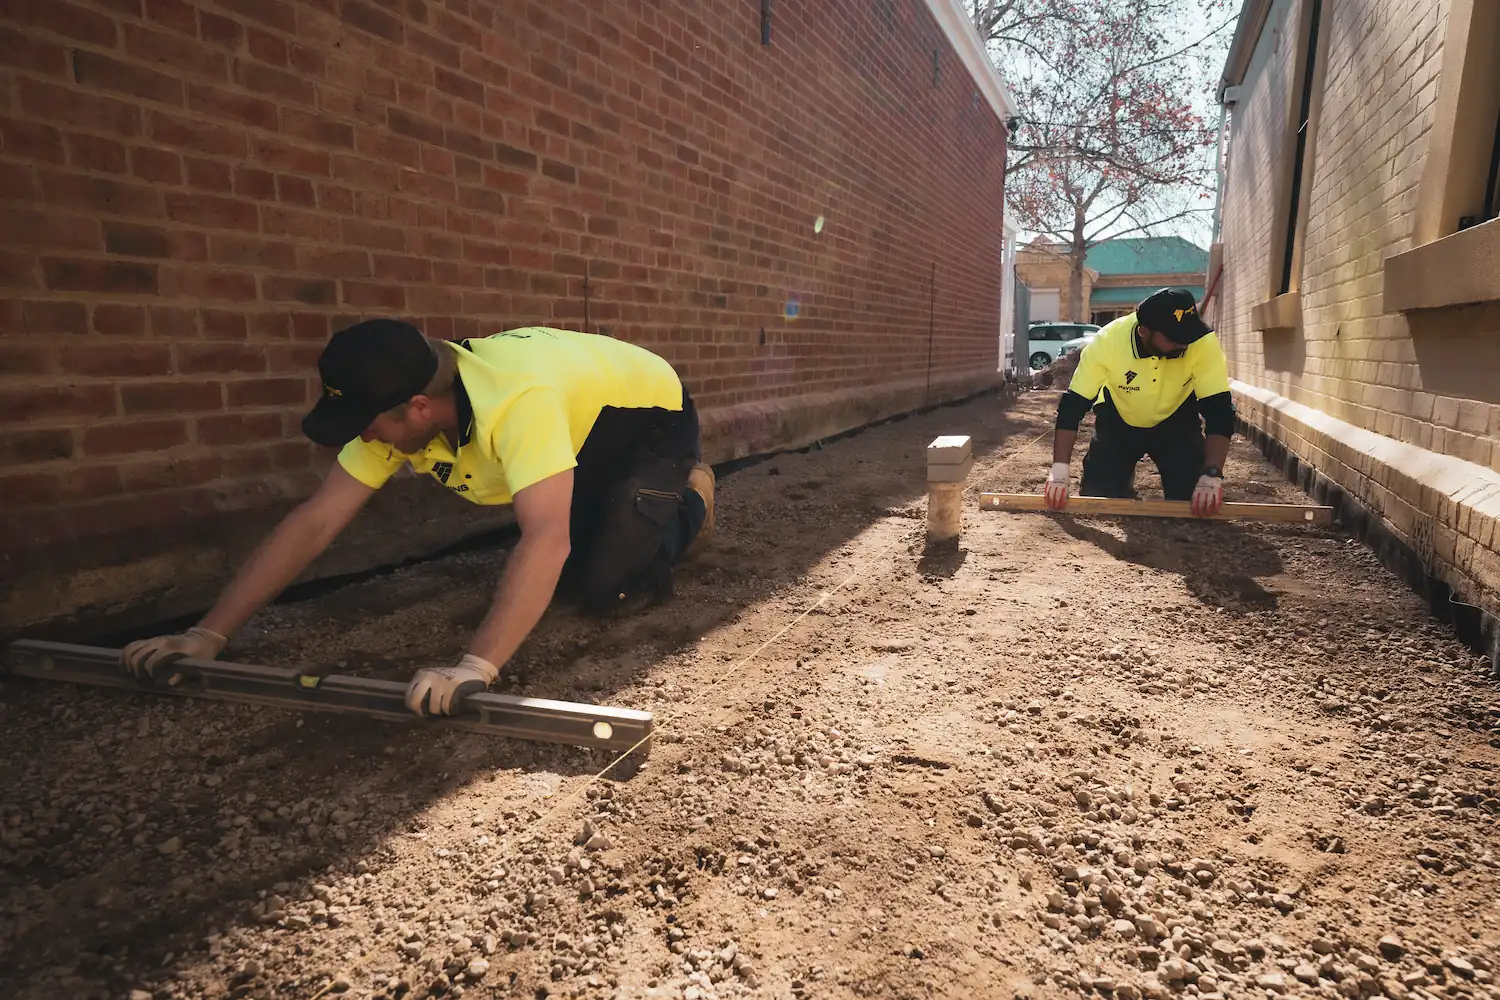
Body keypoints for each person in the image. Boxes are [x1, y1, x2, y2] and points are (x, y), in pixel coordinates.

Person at [120, 320, 716, 716]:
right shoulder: (398, 416)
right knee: (553, 577)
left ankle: (689, 499)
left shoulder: (519, 402)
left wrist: (475, 667)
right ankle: (621, 507)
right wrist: (205, 634)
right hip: (575, 425)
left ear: (420, 406)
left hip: (646, 419)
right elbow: (317, 520)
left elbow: (543, 538)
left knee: (605, 585)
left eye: (369, 423)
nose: (362, 436)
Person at [1042, 288, 1233, 517]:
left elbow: (1219, 411)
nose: (1185, 344)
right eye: (1175, 338)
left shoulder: (1201, 342)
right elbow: (1073, 406)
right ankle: (1119, 479)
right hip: (1118, 420)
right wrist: (1060, 470)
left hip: (1176, 421)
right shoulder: (1109, 341)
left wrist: (1212, 474)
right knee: (1099, 501)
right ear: (1144, 332)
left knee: (1194, 502)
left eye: (1188, 335)